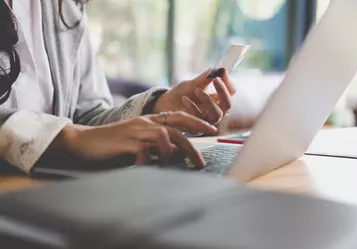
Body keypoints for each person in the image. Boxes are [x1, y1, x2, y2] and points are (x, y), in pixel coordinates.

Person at [0, 0, 236, 173]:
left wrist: (158, 109)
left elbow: (87, 117)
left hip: (53, 203)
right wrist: (70, 138)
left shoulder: (65, 8)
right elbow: (80, 135)